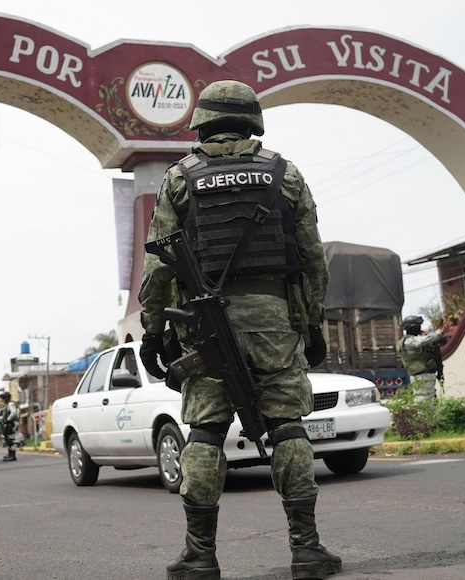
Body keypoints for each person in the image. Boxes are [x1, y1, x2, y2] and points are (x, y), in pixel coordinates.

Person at [138, 80, 339, 580]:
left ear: (202, 122)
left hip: (207, 326)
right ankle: (308, 551)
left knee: (205, 432)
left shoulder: (180, 179)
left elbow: (159, 264)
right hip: (276, 323)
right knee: (288, 426)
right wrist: (312, 323)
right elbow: (313, 257)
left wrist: (153, 327)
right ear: (253, 122)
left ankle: (199, 556)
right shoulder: (284, 174)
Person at [396, 315, 447, 402]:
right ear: (413, 328)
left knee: (429, 399)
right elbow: (422, 341)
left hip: (421, 374)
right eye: (418, 326)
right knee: (424, 400)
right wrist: (440, 333)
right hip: (422, 375)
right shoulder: (409, 341)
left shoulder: (407, 340)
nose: (420, 328)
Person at [0, 391, 20, 461]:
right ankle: (10, 454)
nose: (2, 400)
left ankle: (12, 455)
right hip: (10, 423)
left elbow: (13, 412)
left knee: (11, 440)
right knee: (8, 439)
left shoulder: (11, 404)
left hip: (12, 423)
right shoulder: (7, 405)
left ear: (6, 398)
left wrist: (8, 420)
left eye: (3, 398)